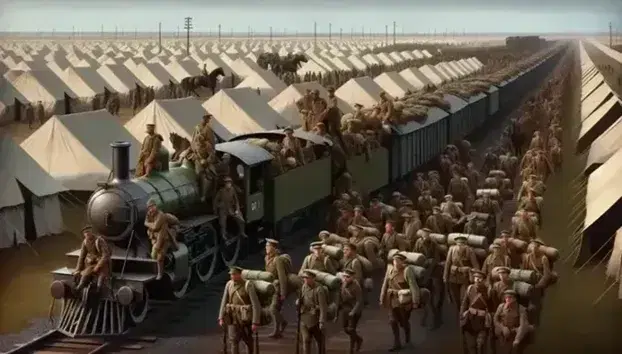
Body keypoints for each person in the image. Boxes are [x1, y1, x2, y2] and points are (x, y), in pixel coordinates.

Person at [379, 252, 421, 351]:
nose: (396, 263)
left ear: (402, 262)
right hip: (392, 298)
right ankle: (396, 342)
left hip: (404, 300)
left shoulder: (407, 271)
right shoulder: (390, 270)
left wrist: (415, 301)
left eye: (398, 261)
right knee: (393, 321)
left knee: (404, 321)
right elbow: (385, 284)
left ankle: (408, 339)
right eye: (394, 260)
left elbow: (413, 286)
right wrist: (381, 298)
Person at [218, 266, 261, 354]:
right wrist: (221, 317)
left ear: (239, 275)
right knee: (233, 341)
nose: (232, 277)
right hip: (233, 318)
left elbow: (255, 304)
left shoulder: (247, 285)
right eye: (231, 275)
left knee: (248, 341)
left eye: (234, 274)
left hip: (245, 318)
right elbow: (224, 301)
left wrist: (255, 322)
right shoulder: (229, 284)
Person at [443, 234, 480, 313]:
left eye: (462, 244)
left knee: (463, 298)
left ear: (465, 244)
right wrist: (445, 276)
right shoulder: (452, 249)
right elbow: (448, 263)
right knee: (455, 298)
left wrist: (476, 276)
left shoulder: (469, 251)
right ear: (456, 244)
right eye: (459, 244)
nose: (460, 246)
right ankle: (458, 312)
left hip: (464, 278)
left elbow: (475, 265)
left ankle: (463, 313)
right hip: (453, 277)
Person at [144, 199, 179, 280]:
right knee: (154, 255)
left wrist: (148, 224)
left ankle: (160, 274)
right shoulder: (149, 214)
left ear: (155, 206)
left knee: (160, 257)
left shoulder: (161, 215)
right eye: (149, 207)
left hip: (164, 238)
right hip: (155, 238)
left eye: (152, 207)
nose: (151, 209)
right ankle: (156, 271)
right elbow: (146, 223)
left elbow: (155, 226)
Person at [460, 270, 492, 354]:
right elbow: (464, 302)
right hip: (470, 319)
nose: (477, 280)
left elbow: (492, 306)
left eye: (480, 278)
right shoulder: (470, 288)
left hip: (482, 321)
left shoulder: (488, 291)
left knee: (481, 345)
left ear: (484, 280)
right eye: (475, 278)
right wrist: (462, 314)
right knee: (471, 345)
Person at [264, 238, 292, 338]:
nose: (266, 247)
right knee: (275, 309)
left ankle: (283, 323)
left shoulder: (278, 259)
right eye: (266, 245)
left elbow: (282, 277)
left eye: (268, 246)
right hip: (270, 287)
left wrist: (283, 293)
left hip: (278, 287)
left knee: (273, 309)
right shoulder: (267, 258)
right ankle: (277, 330)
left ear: (273, 248)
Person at [298, 270, 328, 354]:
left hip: (315, 319)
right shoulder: (304, 286)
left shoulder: (319, 289)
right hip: (304, 317)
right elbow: (303, 299)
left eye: (308, 278)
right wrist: (298, 302)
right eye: (304, 278)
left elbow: (323, 307)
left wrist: (321, 321)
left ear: (313, 278)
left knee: (320, 341)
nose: (305, 280)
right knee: (306, 339)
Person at [73, 225, 111, 291]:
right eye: (85, 233)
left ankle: (98, 292)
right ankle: (78, 289)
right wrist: (78, 269)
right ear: (84, 234)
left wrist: (98, 266)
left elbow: (105, 255)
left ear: (91, 232)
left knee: (100, 280)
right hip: (91, 264)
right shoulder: (85, 242)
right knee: (84, 276)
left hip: (102, 264)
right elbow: (82, 256)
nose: (87, 234)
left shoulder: (99, 240)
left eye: (88, 232)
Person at [493, 289, 531, 354]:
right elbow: (495, 319)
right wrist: (502, 328)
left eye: (510, 297)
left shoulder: (521, 309)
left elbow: (523, 325)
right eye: (506, 297)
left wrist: (517, 339)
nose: (507, 299)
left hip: (515, 333)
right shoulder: (501, 306)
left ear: (515, 298)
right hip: (503, 334)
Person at [339, 268, 364, 353]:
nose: (345, 278)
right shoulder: (343, 284)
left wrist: (353, 311)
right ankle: (358, 339)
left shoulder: (356, 286)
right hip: (345, 309)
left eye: (348, 277)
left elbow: (359, 301)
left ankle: (351, 348)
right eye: (344, 276)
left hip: (354, 310)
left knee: (351, 329)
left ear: (352, 277)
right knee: (345, 328)